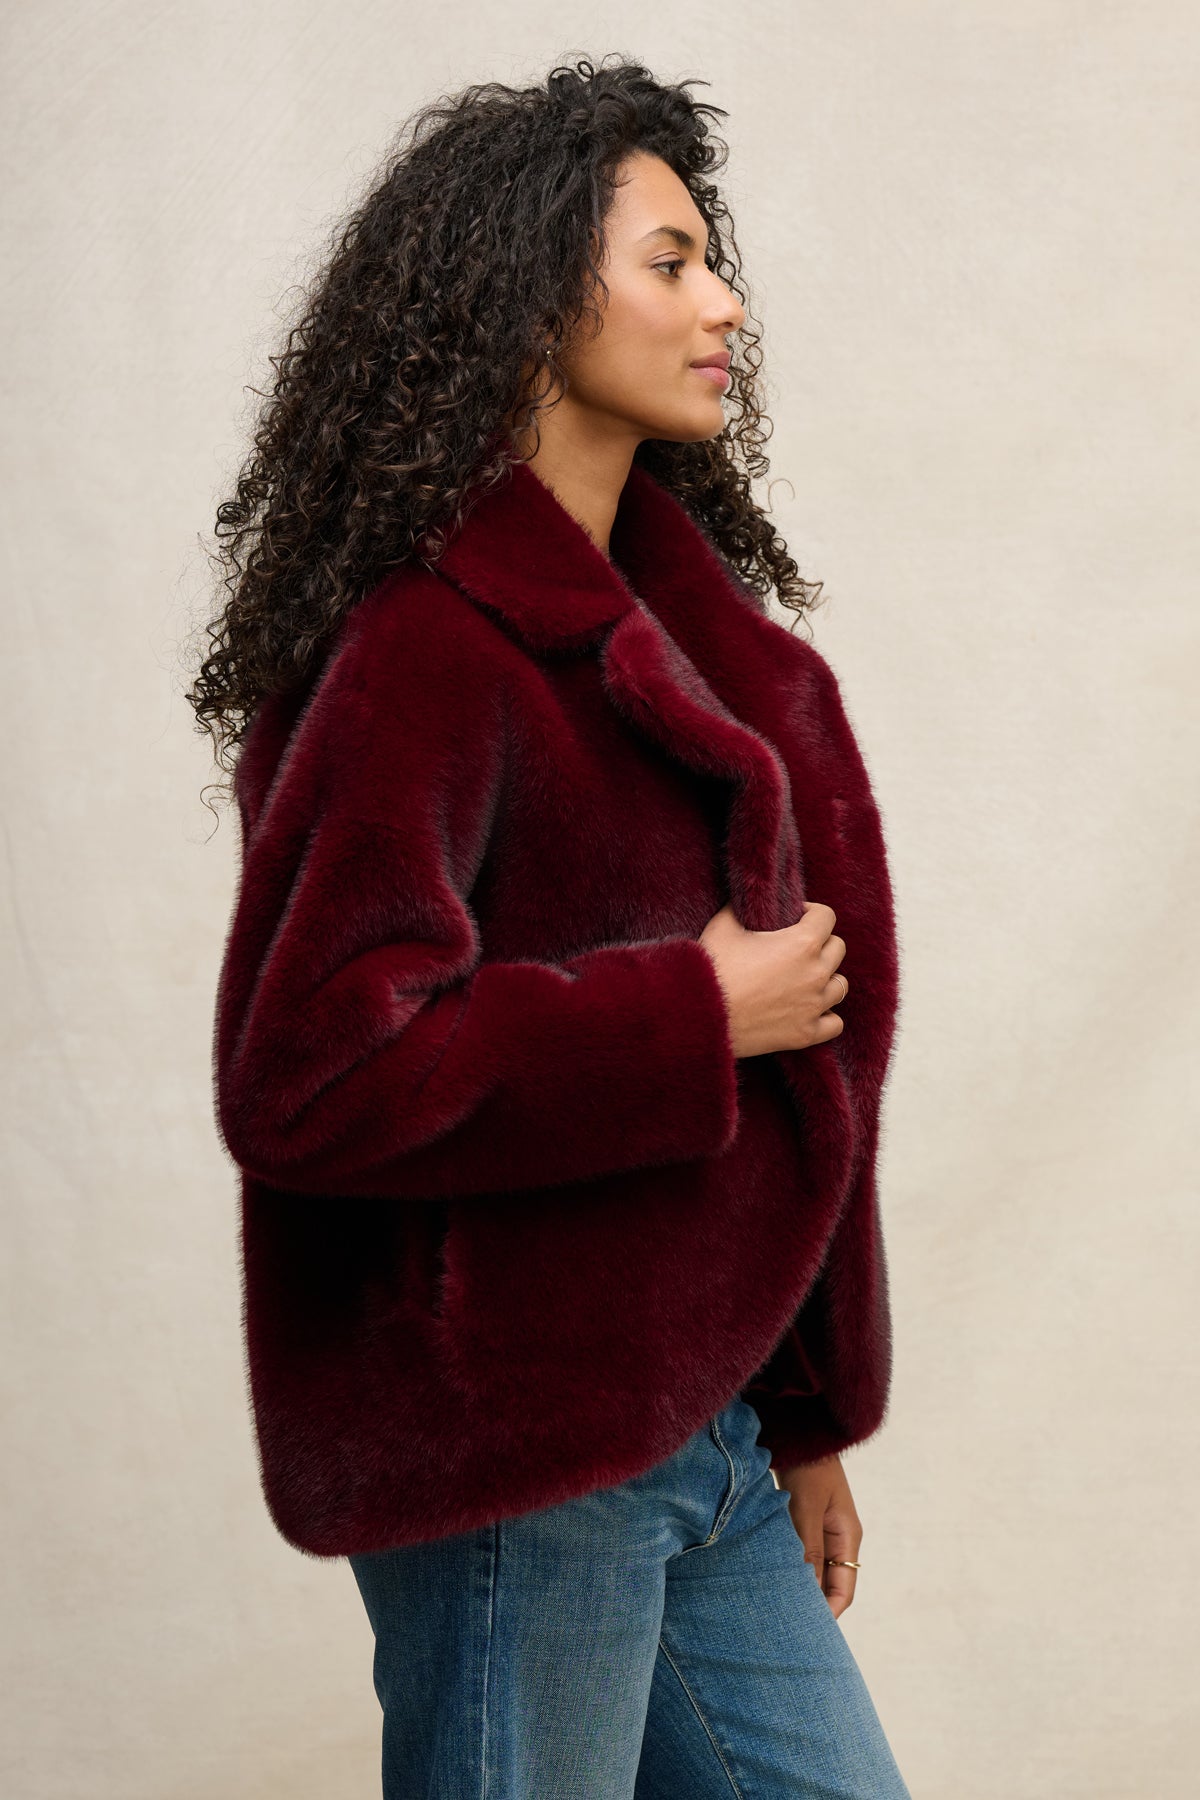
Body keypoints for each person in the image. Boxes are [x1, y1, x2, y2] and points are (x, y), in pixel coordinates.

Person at [189, 54, 910, 1800]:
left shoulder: (710, 656)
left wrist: (798, 1411)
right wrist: (684, 1016)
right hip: (518, 1453)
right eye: (671, 263)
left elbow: (801, 1093)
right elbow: (311, 1074)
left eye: (713, 260)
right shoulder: (425, 650)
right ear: (528, 300)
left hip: (706, 1430)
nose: (725, 303)